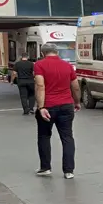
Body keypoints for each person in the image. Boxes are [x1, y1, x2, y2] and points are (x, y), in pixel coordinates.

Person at [34, 43, 80, 179]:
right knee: (67, 137)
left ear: (42, 53)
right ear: (57, 52)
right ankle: (69, 171)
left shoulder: (39, 65)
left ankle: (45, 167)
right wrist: (77, 102)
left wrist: (41, 107)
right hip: (66, 105)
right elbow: (75, 86)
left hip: (48, 106)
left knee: (44, 136)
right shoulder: (68, 66)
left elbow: (40, 85)